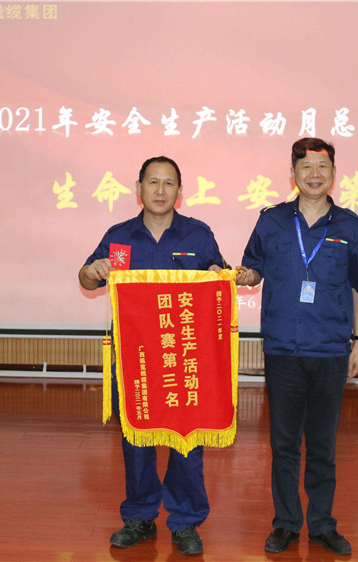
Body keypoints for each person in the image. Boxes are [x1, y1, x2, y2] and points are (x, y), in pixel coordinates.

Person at [235, 138, 358, 556]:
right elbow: (253, 269)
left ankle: (322, 525)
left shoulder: (350, 225)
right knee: (283, 446)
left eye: (322, 167)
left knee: (322, 446)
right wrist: (242, 276)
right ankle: (285, 524)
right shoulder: (272, 221)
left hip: (331, 350)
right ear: (293, 173)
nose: (314, 174)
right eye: (306, 167)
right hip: (283, 350)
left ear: (333, 173)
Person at [79, 155, 226, 557]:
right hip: (136, 360)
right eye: (153, 182)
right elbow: (87, 278)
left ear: (180, 191)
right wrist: (92, 271)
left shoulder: (198, 235)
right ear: (139, 188)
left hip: (184, 357)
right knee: (136, 440)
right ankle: (140, 516)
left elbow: (220, 279)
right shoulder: (119, 236)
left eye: (169, 183)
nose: (161, 190)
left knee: (186, 441)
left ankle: (185, 521)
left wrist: (219, 276)